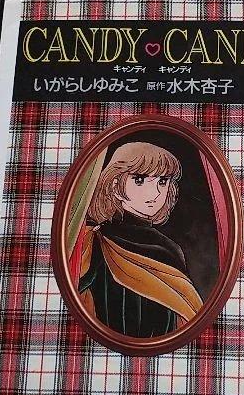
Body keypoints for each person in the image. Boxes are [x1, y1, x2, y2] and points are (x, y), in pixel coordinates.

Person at [69, 141, 202, 339]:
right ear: (115, 186)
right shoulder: (92, 243)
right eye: (139, 179)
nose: (155, 193)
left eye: (162, 181)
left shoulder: (171, 250)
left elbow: (186, 319)